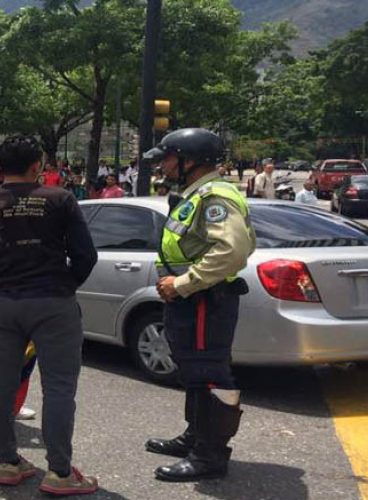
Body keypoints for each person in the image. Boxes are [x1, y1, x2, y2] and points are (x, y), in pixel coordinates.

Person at [0, 135, 99, 495]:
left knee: (1, 384)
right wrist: (65, 285)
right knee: (59, 387)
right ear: (38, 165)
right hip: (52, 300)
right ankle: (60, 472)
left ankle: (7, 462)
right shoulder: (60, 199)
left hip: (1, 302)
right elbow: (85, 255)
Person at [143, 128, 256, 482]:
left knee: (210, 375)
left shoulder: (215, 196)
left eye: (168, 158)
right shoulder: (195, 194)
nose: (162, 165)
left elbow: (232, 250)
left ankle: (210, 457)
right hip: (192, 299)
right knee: (194, 372)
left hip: (205, 299)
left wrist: (181, 284)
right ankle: (196, 437)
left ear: (189, 160)